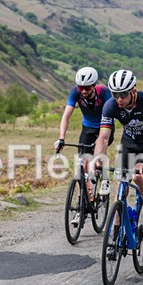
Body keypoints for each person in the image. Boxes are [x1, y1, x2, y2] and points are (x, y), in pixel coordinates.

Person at [91, 69, 143, 241]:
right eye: (115, 94)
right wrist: (98, 159)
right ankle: (116, 235)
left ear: (133, 91)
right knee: (120, 189)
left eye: (123, 94)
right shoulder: (110, 106)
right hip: (129, 143)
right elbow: (103, 137)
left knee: (138, 176)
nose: (119, 99)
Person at [54, 66, 112, 228]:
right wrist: (61, 138)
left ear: (94, 85)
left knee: (98, 156)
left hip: (104, 127)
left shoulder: (104, 93)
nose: (83, 91)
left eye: (86, 88)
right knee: (83, 167)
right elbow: (66, 116)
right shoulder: (75, 93)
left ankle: (105, 178)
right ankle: (81, 206)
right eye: (81, 88)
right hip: (87, 128)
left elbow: (109, 116)